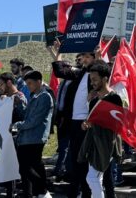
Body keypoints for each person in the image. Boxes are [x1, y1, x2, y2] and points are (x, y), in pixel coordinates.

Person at [50, 39, 99, 198]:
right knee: (75, 160)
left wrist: (98, 58)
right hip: (74, 122)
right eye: (82, 57)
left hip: (88, 123)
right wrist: (58, 54)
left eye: (87, 57)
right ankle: (76, 191)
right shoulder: (80, 73)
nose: (83, 60)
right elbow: (60, 71)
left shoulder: (97, 74)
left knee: (83, 161)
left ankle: (86, 192)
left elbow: (105, 73)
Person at [79, 62, 122, 198]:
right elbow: (90, 121)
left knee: (92, 178)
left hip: (107, 144)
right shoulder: (93, 101)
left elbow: (117, 123)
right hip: (93, 144)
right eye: (91, 80)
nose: (92, 83)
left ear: (104, 79)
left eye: (95, 79)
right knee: (101, 179)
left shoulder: (114, 98)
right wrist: (85, 125)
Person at [13, 71, 54, 198]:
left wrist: (16, 125)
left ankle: (43, 191)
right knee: (31, 168)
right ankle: (41, 192)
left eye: (30, 83)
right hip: (28, 138)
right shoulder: (35, 96)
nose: (28, 86)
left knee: (25, 168)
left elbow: (34, 120)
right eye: (27, 83)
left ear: (39, 81)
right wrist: (19, 104)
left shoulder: (45, 97)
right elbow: (27, 115)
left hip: (35, 138)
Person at [51, 61, 74, 180]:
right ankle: (61, 169)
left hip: (67, 117)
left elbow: (69, 102)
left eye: (66, 67)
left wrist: (65, 115)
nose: (63, 70)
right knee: (61, 145)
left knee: (65, 145)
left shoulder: (73, 82)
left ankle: (61, 169)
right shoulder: (63, 82)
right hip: (60, 116)